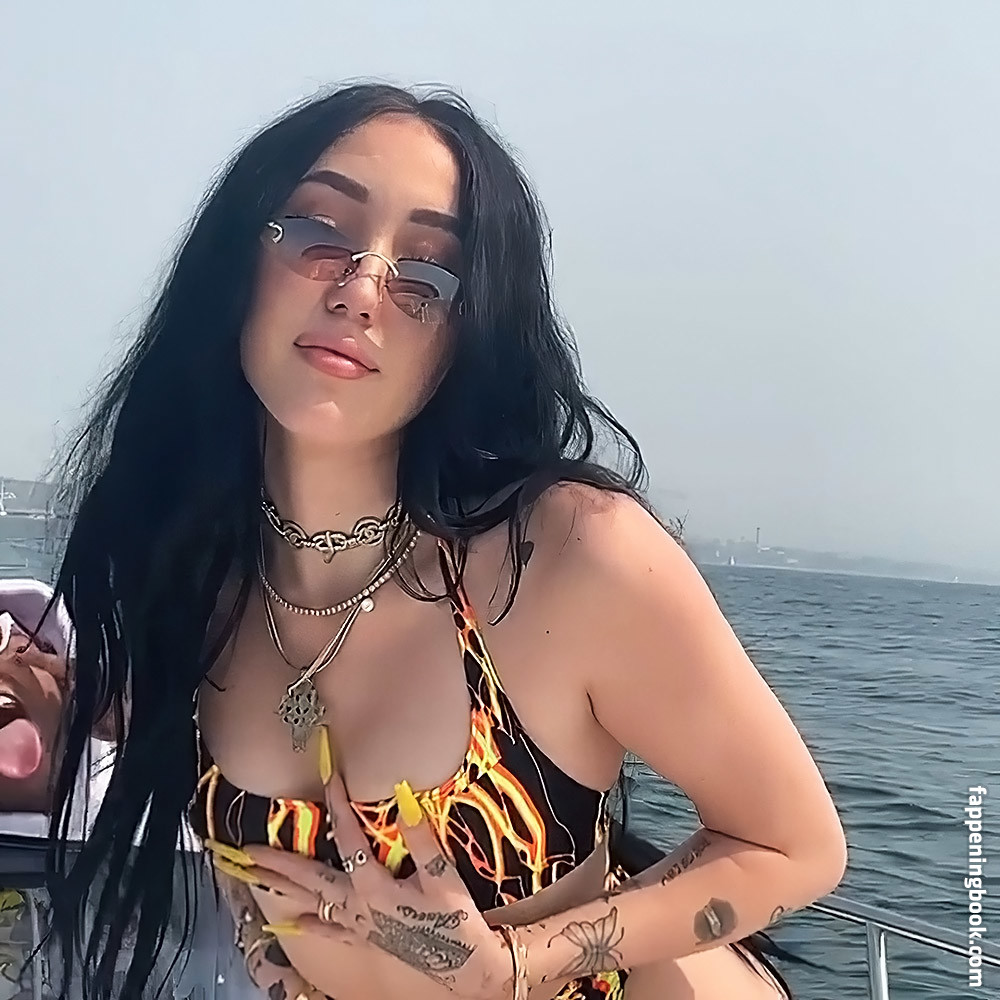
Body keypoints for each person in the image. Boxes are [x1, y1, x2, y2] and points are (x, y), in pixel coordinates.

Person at [44, 83, 847, 999]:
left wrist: (513, 966)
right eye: (317, 232)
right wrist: (279, 963)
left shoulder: (564, 556)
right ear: (236, 263)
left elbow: (794, 846)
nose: (360, 290)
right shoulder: (197, 573)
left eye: (428, 273)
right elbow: (242, 854)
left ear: (467, 336)